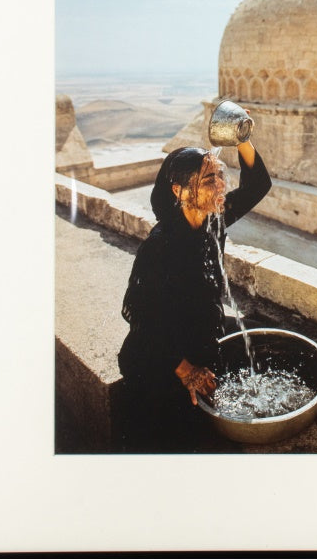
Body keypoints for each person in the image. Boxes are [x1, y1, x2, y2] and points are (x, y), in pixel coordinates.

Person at [117, 130, 271, 452]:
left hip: (199, 332)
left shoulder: (212, 220)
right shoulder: (160, 247)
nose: (220, 186)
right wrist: (187, 371)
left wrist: (241, 137)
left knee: (267, 341)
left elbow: (258, 185)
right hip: (159, 356)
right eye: (207, 180)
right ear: (180, 190)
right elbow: (140, 316)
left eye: (219, 175)